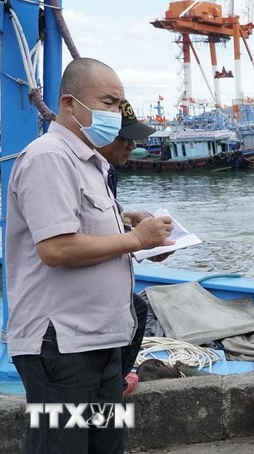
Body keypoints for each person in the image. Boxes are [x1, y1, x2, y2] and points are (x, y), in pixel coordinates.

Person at [5, 58, 173, 454]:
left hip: (100, 341)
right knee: (61, 452)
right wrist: (134, 239)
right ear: (70, 103)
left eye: (119, 104)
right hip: (61, 344)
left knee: (103, 450)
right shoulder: (49, 157)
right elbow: (57, 248)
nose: (117, 114)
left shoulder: (91, 164)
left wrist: (131, 229)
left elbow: (83, 234)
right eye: (110, 102)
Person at [96, 100, 161, 397]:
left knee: (135, 308)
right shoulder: (54, 163)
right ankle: (117, 383)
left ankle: (116, 383)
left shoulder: (104, 170)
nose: (132, 145)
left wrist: (127, 219)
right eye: (125, 138)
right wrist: (137, 240)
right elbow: (57, 246)